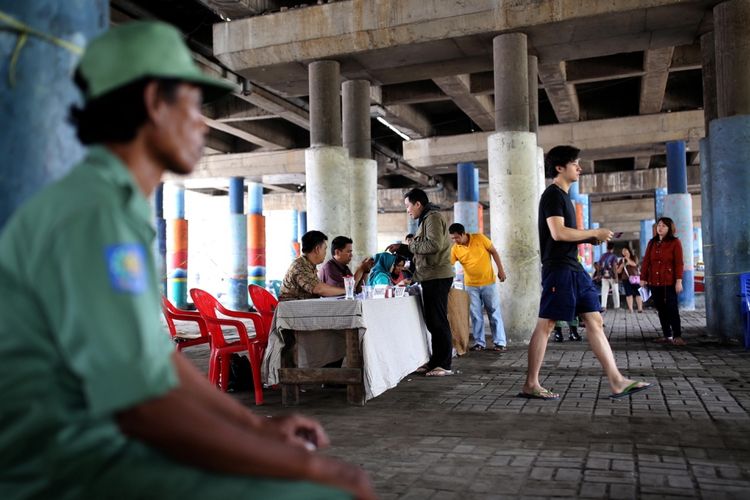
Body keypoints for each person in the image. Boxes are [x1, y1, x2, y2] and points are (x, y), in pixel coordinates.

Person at [0, 22, 373, 500]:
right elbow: (141, 403)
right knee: (341, 492)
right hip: (58, 467)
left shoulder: (110, 205)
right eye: (194, 106)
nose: (203, 123)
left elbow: (153, 362)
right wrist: (296, 465)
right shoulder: (92, 215)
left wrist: (257, 429)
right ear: (155, 102)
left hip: (95, 445)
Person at [520, 145, 651, 400]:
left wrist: (588, 240)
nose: (579, 167)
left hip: (573, 268)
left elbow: (565, 235)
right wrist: (593, 233)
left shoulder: (564, 197)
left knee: (595, 320)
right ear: (560, 168)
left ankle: (617, 381)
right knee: (546, 324)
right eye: (575, 163)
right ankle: (531, 384)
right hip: (559, 269)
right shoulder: (553, 196)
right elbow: (558, 233)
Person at [388, 188, 454, 377]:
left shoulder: (432, 217)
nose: (408, 210)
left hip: (437, 276)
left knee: (438, 321)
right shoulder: (425, 219)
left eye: (408, 206)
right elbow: (423, 248)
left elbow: (434, 245)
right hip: (429, 276)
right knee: (433, 321)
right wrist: (403, 248)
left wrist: (409, 245)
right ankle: (435, 361)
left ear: (418, 204)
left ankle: (444, 364)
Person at [448, 223, 508, 352]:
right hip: (470, 286)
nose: (455, 241)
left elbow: (494, 252)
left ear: (464, 234)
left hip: (488, 283)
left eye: (457, 237)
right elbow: (449, 265)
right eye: (452, 238)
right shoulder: (455, 249)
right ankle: (479, 342)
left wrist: (501, 271)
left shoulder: (480, 238)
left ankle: (500, 342)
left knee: (494, 312)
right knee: (475, 315)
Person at [641, 217, 685, 345]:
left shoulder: (675, 242)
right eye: (659, 225)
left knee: (672, 308)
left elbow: (679, 263)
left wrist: (679, 281)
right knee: (661, 309)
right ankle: (667, 336)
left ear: (669, 228)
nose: (660, 228)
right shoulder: (652, 243)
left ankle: (677, 336)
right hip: (654, 282)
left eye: (663, 226)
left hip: (669, 282)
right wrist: (643, 278)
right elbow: (646, 262)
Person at [280, 230, 346, 301]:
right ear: (317, 249)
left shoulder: (309, 264)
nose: (325, 253)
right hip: (292, 310)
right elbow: (319, 289)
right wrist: (347, 291)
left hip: (303, 307)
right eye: (325, 249)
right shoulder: (300, 266)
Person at [617, 246, 644, 313]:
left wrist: (628, 259)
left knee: (638, 293)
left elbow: (634, 264)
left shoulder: (634, 257)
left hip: (635, 278)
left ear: (629, 251)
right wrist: (621, 266)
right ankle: (630, 309)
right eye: (623, 251)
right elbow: (618, 271)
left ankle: (640, 308)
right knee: (628, 293)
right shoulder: (621, 260)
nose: (625, 252)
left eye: (626, 251)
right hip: (625, 278)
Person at [598, 242, 621, 311]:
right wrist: (616, 277)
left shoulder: (602, 256)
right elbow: (614, 267)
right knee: (615, 291)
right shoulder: (614, 256)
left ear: (607, 248)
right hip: (612, 276)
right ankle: (617, 306)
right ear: (613, 249)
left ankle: (603, 306)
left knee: (604, 291)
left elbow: (599, 266)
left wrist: (599, 274)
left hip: (604, 275)